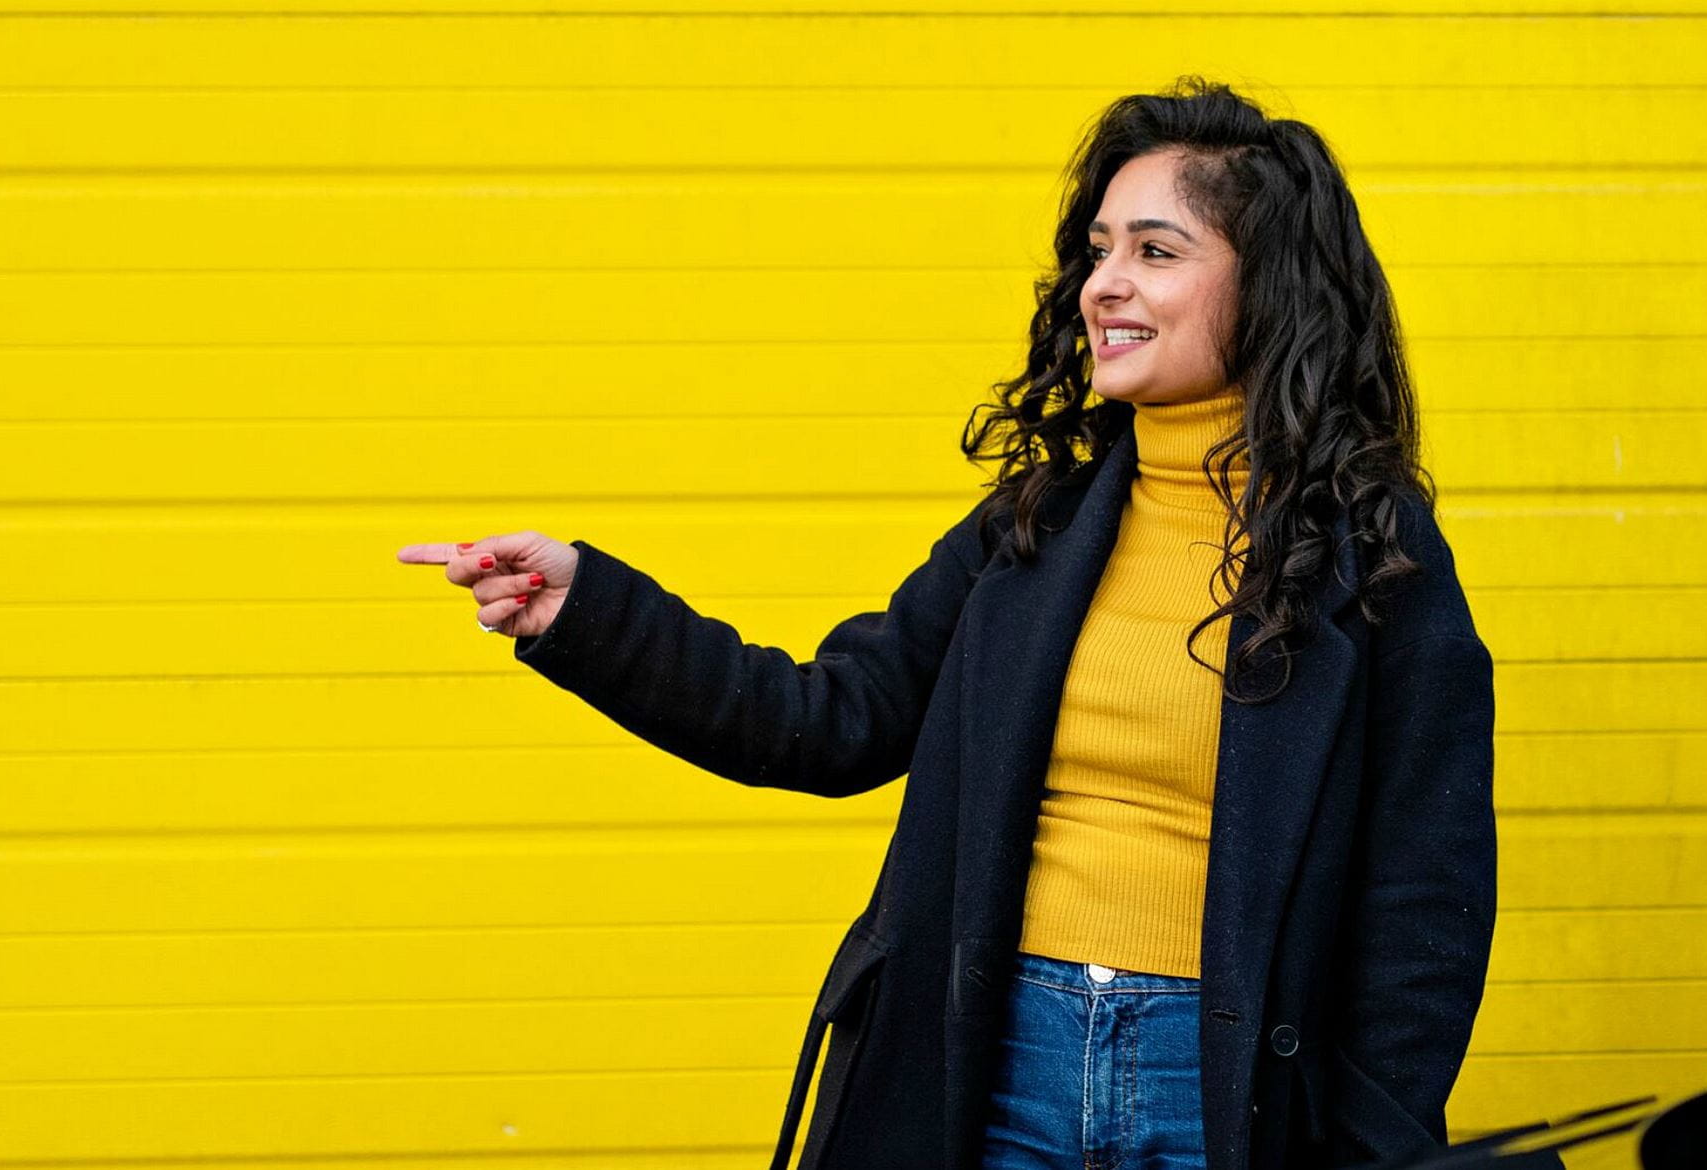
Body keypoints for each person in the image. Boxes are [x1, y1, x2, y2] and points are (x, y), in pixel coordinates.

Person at [395, 77, 1498, 1170]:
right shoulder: (1037, 529)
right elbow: (822, 720)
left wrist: (1370, 1142)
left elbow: (1425, 908)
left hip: (1222, 1092)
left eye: (1156, 253)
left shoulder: (1373, 558)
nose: (1105, 285)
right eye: (1099, 251)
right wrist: (586, 608)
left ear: (1273, 290)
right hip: (995, 1062)